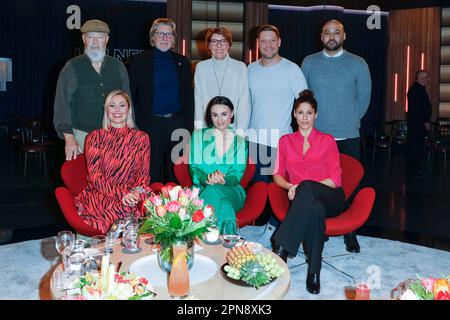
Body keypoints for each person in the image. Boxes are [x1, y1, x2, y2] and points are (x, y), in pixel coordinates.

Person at [301, 19, 371, 253]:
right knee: (319, 186)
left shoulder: (358, 63)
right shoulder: (309, 63)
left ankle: (350, 231)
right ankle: (320, 226)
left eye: (336, 32)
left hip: (347, 135)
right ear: (321, 37)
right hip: (317, 137)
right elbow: (305, 99)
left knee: (348, 186)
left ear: (344, 36)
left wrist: (347, 120)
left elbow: (364, 99)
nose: (332, 36)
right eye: (327, 33)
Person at [271, 90, 344, 295]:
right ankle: (314, 272)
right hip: (306, 201)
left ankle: (282, 245)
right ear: (294, 114)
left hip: (332, 196)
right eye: (300, 112)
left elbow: (335, 180)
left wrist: (302, 187)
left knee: (312, 192)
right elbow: (277, 175)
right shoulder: (285, 141)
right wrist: (290, 187)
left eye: (309, 113)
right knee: (315, 209)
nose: (304, 118)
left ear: (316, 115)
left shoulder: (327, 140)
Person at [74, 90, 152, 233]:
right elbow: (95, 176)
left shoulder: (142, 138)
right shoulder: (94, 137)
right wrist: (122, 194)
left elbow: (143, 175)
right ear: (106, 110)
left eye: (122, 105)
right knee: (121, 213)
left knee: (156, 210)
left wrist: (135, 192)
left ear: (128, 110)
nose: (117, 110)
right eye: (112, 105)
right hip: (103, 192)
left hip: (133, 192)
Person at [54, 19, 131, 161]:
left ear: (107, 39)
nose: (95, 42)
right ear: (84, 39)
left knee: (114, 180)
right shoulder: (71, 67)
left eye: (100, 37)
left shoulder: (118, 67)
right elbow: (62, 105)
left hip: (114, 136)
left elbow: (128, 103)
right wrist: (69, 139)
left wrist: (131, 135)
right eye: (91, 37)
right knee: (83, 181)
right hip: (82, 137)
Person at [129, 18, 194, 183]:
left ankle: (176, 208)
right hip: (150, 126)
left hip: (177, 125)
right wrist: (138, 124)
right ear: (153, 37)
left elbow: (189, 98)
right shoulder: (139, 61)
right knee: (151, 173)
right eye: (160, 34)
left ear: (173, 38)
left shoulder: (183, 62)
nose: (165, 38)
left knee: (177, 173)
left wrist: (188, 129)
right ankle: (152, 207)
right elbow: (131, 95)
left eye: (169, 34)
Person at [247, 24, 308, 183]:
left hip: (280, 142)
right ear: (258, 43)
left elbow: (305, 106)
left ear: (279, 42)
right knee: (257, 190)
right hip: (253, 141)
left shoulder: (292, 69)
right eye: (264, 41)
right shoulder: (250, 70)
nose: (268, 45)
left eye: (272, 40)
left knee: (276, 193)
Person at [189, 96, 248, 230]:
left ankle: (199, 233)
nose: (219, 120)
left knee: (215, 191)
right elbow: (194, 168)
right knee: (224, 205)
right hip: (203, 188)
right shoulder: (198, 136)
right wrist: (208, 178)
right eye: (215, 115)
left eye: (224, 114)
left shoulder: (240, 142)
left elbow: (237, 174)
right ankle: (228, 240)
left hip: (231, 190)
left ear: (232, 114)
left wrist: (223, 180)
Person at [194, 27, 250, 133]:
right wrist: (199, 132)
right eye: (214, 42)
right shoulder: (201, 68)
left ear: (229, 45)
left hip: (233, 130)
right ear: (209, 45)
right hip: (208, 130)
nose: (219, 45)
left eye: (223, 41)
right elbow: (198, 103)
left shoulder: (240, 67)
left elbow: (244, 103)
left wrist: (241, 132)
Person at [406, 70, 432, 177]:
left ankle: (415, 170)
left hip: (416, 124)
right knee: (415, 148)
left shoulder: (417, 89)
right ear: (420, 78)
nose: (428, 79)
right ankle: (413, 171)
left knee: (416, 147)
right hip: (417, 125)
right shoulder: (417, 90)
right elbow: (420, 109)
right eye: (426, 77)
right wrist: (426, 121)